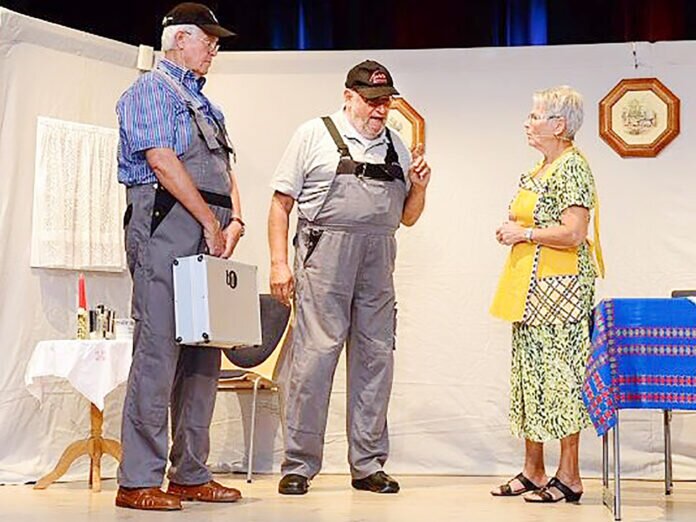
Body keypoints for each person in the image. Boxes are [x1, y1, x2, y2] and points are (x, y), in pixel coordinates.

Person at [268, 60, 432, 495]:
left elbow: (408, 218)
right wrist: (279, 263)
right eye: (371, 100)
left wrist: (419, 188)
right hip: (325, 256)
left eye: (385, 101)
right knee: (314, 359)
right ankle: (299, 464)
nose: (380, 109)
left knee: (376, 360)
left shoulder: (396, 145)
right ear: (348, 97)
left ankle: (368, 464)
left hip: (378, 260)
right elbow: (281, 204)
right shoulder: (313, 135)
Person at [115, 2, 245, 511]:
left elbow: (227, 170)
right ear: (179, 39)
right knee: (158, 352)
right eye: (206, 39)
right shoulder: (150, 90)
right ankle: (137, 480)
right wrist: (210, 222)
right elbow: (163, 162)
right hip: (166, 224)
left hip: (209, 232)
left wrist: (235, 221)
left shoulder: (208, 105)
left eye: (215, 41)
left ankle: (190, 473)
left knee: (202, 353)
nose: (213, 48)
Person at [489, 86, 604, 503]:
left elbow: (574, 232)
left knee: (562, 379)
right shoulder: (540, 168)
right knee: (530, 376)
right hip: (529, 289)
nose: (527, 122)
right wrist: (516, 231)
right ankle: (533, 469)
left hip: (560, 294)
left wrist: (524, 233)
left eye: (535, 116)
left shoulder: (572, 167)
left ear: (559, 125)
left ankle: (569, 476)